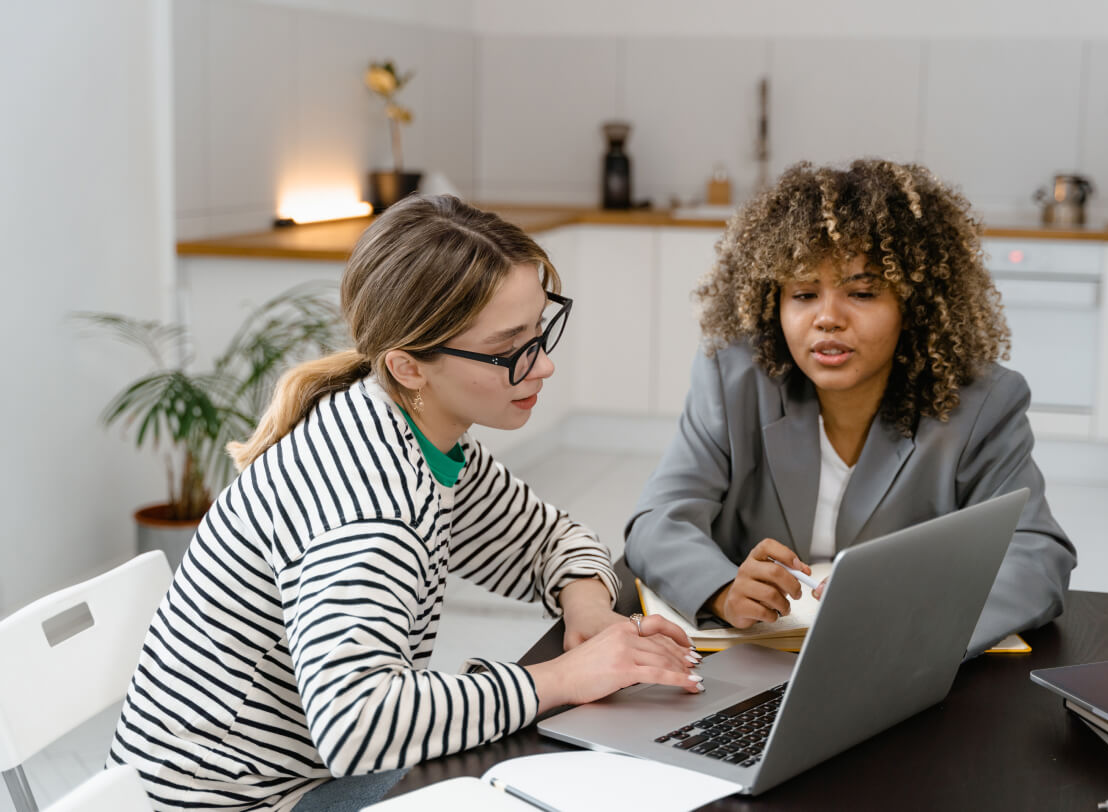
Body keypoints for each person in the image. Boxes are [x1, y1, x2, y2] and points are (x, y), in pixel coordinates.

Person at [108, 195, 702, 812]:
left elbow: (550, 539)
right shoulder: (372, 508)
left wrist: (587, 607)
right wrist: (561, 678)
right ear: (409, 366)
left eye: (539, 331)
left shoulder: (410, 433)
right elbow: (359, 726)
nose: (543, 365)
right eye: (510, 350)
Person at [624, 159, 1076, 657]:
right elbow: (657, 521)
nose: (827, 319)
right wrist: (722, 589)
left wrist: (918, 627)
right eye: (803, 293)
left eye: (861, 292)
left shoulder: (979, 402)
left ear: (914, 302)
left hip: (898, 674)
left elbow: (1037, 556)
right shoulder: (734, 379)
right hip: (750, 664)